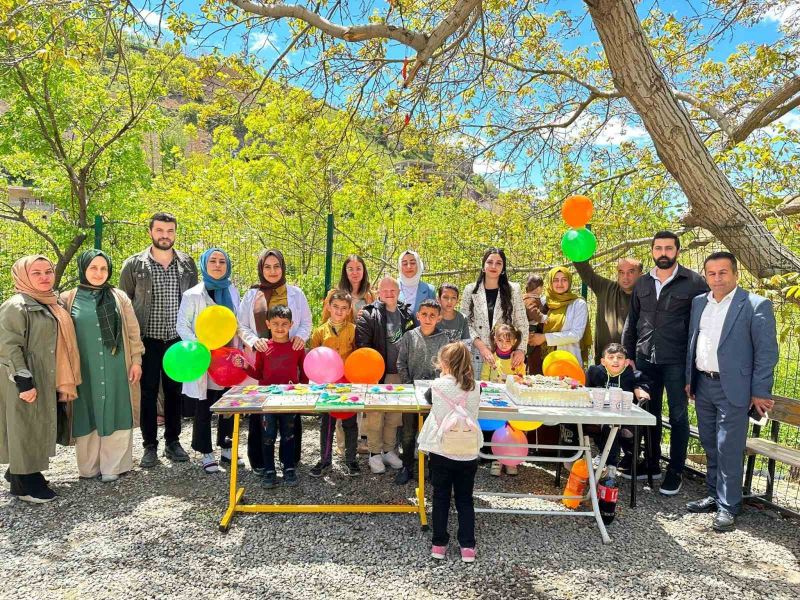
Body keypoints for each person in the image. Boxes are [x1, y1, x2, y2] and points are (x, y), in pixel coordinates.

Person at [685, 252, 778, 532]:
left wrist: (760, 391)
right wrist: (690, 378)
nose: (717, 278)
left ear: (735, 274)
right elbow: (694, 341)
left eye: (723, 272)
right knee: (710, 442)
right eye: (711, 273)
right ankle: (714, 494)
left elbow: (766, 352)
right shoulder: (699, 302)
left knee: (729, 446)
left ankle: (729, 505)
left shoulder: (755, 305)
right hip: (703, 384)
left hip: (735, 389)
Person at [622, 230, 709, 495]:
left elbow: (705, 324)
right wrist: (628, 354)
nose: (663, 253)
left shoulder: (694, 282)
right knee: (649, 414)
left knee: (679, 416)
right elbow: (632, 320)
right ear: (652, 251)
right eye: (658, 248)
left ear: (677, 251)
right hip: (645, 359)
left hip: (677, 362)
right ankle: (652, 464)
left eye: (668, 248)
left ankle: (675, 472)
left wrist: (694, 366)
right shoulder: (643, 283)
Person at [119, 212, 198, 468]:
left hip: (177, 340)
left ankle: (173, 442)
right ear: (151, 232)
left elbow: (193, 302)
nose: (165, 235)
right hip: (147, 339)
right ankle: (149, 446)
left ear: (175, 233)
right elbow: (125, 304)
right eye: (160, 230)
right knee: (148, 392)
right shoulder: (134, 265)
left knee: (175, 392)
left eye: (170, 231)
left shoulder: (187, 263)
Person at [0, 256, 81, 502]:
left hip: (46, 374)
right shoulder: (16, 305)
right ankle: (24, 485)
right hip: (24, 377)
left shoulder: (48, 302)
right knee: (25, 426)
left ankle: (18, 472)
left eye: (48, 271)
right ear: (23, 276)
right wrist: (24, 382)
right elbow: (8, 346)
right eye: (36, 273)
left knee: (36, 424)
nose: (44, 277)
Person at [61, 250, 144, 483]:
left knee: (117, 409)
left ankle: (114, 466)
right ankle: (88, 467)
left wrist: (136, 360)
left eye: (103, 269)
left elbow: (133, 331)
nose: (98, 273)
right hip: (84, 368)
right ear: (83, 269)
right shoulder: (68, 298)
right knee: (86, 412)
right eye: (93, 268)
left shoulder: (119, 297)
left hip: (118, 365)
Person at [238, 249, 312, 472]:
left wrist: (300, 337)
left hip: (289, 357)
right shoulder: (251, 295)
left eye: (276, 266)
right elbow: (241, 325)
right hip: (263, 357)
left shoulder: (296, 293)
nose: (272, 271)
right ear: (261, 269)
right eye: (267, 267)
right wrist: (254, 341)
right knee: (262, 415)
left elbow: (306, 322)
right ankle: (261, 462)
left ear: (283, 268)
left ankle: (290, 462)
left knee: (290, 415)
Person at [176, 247, 241, 474]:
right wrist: (199, 345)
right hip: (204, 357)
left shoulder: (232, 291)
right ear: (204, 264)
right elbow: (182, 326)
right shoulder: (193, 294)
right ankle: (205, 452)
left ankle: (225, 446)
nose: (217, 265)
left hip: (227, 357)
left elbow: (236, 322)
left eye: (222, 261)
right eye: (212, 261)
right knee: (204, 406)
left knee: (228, 404)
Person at [417, 342, 481, 563]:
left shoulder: (437, 386)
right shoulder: (475, 387)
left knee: (441, 497)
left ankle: (439, 544)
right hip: (468, 451)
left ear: (444, 363)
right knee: (465, 499)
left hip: (442, 450)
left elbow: (427, 399)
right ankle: (467, 546)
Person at [234, 305, 307, 488]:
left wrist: (305, 392)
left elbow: (304, 374)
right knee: (268, 436)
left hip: (290, 401)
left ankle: (289, 467)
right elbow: (259, 374)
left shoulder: (297, 347)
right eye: (275, 324)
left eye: (284, 324)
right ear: (268, 324)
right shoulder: (263, 347)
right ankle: (269, 470)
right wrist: (244, 365)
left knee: (289, 435)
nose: (280, 328)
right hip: (266, 402)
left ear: (291, 324)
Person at [355, 277, 415, 474]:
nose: (389, 293)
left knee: (393, 416)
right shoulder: (369, 315)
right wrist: (370, 372)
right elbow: (363, 346)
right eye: (385, 290)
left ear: (399, 292)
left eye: (393, 290)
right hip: (377, 375)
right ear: (378, 292)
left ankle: (389, 450)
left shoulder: (407, 314)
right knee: (375, 415)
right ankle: (374, 453)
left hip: (399, 374)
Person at [396, 299, 450, 484]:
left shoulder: (444, 339)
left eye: (432, 315)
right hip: (411, 392)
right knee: (409, 432)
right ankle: (407, 467)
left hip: (435, 395)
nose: (428, 318)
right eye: (424, 314)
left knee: (432, 431)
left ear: (439, 318)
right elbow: (401, 363)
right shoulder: (409, 336)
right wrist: (408, 384)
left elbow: (446, 366)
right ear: (418, 315)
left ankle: (432, 468)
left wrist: (438, 386)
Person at [309, 290, 360, 478]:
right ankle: (325, 460)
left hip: (348, 384)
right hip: (327, 385)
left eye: (344, 308)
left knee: (350, 423)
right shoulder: (319, 332)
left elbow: (358, 355)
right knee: (327, 423)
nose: (339, 311)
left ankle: (351, 460)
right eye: (336, 307)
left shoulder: (354, 330)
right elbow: (314, 358)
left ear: (348, 311)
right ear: (329, 307)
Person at [461, 247, 528, 376]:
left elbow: (522, 323)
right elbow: (465, 323)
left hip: (506, 356)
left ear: (503, 268)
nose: (494, 266)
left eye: (499, 263)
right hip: (477, 354)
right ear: (483, 265)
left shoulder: (513, 289)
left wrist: (520, 350)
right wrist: (482, 347)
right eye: (490, 262)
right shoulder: (470, 289)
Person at [586, 343, 650, 471]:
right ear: (603, 361)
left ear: (626, 362)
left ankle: (611, 465)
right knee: (603, 425)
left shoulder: (633, 375)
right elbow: (586, 390)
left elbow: (642, 386)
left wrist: (640, 389)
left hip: (624, 418)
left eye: (619, 357)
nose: (615, 360)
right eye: (611, 357)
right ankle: (603, 458)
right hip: (599, 415)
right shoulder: (594, 372)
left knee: (613, 426)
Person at [574, 257, 643, 364]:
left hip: (632, 364)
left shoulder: (647, 296)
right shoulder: (605, 288)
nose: (625, 277)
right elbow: (585, 271)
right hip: (603, 363)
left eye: (631, 272)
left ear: (640, 275)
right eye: (621, 272)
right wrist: (576, 249)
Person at [321, 254, 375, 323]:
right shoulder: (333, 294)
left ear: (363, 271)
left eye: (358, 268)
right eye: (350, 269)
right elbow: (325, 323)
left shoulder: (371, 295)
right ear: (345, 272)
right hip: (341, 333)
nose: (355, 273)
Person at [398, 250, 436, 319]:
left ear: (418, 264)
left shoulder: (430, 290)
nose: (409, 266)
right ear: (400, 267)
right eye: (405, 264)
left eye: (412, 263)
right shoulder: (391, 288)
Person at [522, 274, 546, 375]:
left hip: (530, 326)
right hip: (530, 327)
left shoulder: (529, 297)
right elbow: (532, 311)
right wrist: (542, 318)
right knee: (529, 346)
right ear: (538, 288)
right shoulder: (530, 299)